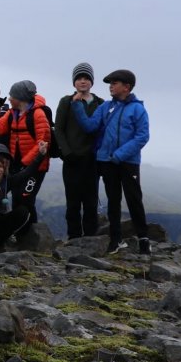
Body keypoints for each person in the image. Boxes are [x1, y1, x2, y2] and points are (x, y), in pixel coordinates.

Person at [72, 69, 150, 255]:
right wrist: (77, 106)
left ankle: (144, 240)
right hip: (107, 162)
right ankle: (115, 240)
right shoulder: (105, 107)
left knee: (134, 199)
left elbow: (142, 136)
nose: (110, 86)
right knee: (113, 201)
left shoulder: (138, 109)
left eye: (114, 83)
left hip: (128, 162)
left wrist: (119, 154)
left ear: (126, 87)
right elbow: (90, 126)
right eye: (110, 83)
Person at [0, 80, 52, 223]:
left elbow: (43, 142)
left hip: (36, 167)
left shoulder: (38, 114)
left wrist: (25, 163)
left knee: (26, 198)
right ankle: (21, 230)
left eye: (12, 96)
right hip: (16, 166)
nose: (9, 98)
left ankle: (33, 231)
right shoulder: (12, 113)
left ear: (21, 98)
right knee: (17, 199)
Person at [55, 63, 103, 239]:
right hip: (72, 159)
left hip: (92, 160)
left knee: (91, 201)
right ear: (74, 82)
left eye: (86, 78)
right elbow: (58, 129)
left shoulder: (100, 103)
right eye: (79, 78)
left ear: (92, 81)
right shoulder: (66, 102)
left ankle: (91, 237)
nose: (83, 81)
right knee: (73, 201)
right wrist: (67, 153)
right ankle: (73, 237)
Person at [0, 142, 46, 249]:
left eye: (1, 165)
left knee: (23, 211)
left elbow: (27, 173)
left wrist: (41, 155)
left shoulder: (7, 181)